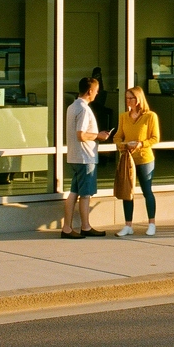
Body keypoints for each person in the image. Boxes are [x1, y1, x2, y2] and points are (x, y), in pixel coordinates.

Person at [61, 77, 110, 238]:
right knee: (85, 195)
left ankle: (67, 227)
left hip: (75, 156)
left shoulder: (72, 106)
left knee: (73, 192)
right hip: (85, 157)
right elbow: (81, 135)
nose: (97, 94)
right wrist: (99, 136)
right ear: (90, 91)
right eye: (96, 91)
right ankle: (85, 226)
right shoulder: (83, 109)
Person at [114, 86, 161, 237]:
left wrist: (141, 144)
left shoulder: (150, 116)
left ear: (138, 99)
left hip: (145, 158)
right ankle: (128, 225)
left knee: (147, 190)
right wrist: (122, 145)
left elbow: (155, 138)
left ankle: (152, 223)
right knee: (128, 192)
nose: (128, 101)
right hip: (128, 159)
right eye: (126, 98)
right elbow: (117, 136)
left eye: (131, 98)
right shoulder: (123, 116)